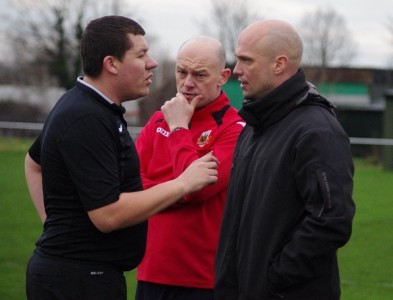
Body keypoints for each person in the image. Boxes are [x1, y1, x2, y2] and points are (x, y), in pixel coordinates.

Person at [24, 16, 219, 300]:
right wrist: (183, 183)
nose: (152, 63)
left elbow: (33, 163)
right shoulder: (86, 116)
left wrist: (56, 225)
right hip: (79, 279)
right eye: (141, 55)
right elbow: (108, 214)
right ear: (111, 64)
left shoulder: (88, 106)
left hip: (85, 274)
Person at [214, 19, 356, 300]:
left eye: (246, 60)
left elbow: (331, 221)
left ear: (279, 64)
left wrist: (273, 279)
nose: (237, 71)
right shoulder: (255, 125)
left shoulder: (316, 130)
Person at [134, 36, 244, 300]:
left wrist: (179, 129)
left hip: (202, 280)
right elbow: (129, 186)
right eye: (181, 72)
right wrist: (178, 189)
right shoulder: (159, 118)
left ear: (222, 76)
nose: (187, 83)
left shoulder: (235, 129)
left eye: (200, 75)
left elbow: (196, 192)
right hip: (150, 271)